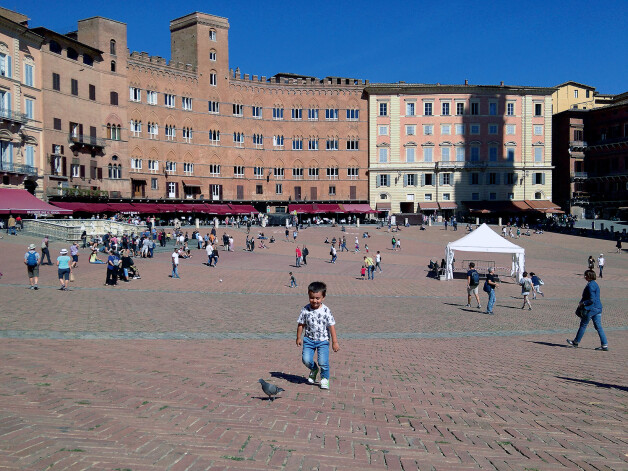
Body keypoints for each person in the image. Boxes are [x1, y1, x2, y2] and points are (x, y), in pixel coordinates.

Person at [296, 281, 340, 390]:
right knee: (306, 359)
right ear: (308, 295)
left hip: (323, 341)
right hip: (308, 340)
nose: (314, 301)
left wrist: (334, 342)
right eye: (312, 298)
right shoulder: (305, 309)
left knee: (323, 362)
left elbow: (331, 326)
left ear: (323, 297)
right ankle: (314, 369)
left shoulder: (326, 311)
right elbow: (301, 324)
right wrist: (298, 337)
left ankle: (324, 379)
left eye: (317, 298)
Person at [567, 270, 608, 351]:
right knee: (599, 327)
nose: (585, 277)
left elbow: (591, 299)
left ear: (590, 276)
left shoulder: (591, 285)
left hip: (591, 309)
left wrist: (583, 303)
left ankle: (576, 342)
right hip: (598, 308)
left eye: (586, 275)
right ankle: (604, 345)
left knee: (583, 325)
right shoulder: (594, 284)